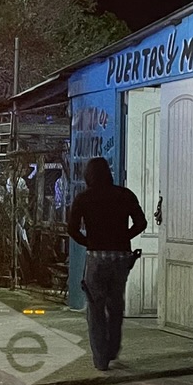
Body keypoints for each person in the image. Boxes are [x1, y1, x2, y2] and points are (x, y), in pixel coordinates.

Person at [66, 157, 147, 371]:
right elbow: (142, 222)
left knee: (95, 308)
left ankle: (101, 359)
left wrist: (89, 242)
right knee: (115, 304)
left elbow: (72, 229)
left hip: (97, 258)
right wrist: (124, 238)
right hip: (121, 258)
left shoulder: (83, 199)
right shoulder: (125, 195)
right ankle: (112, 349)